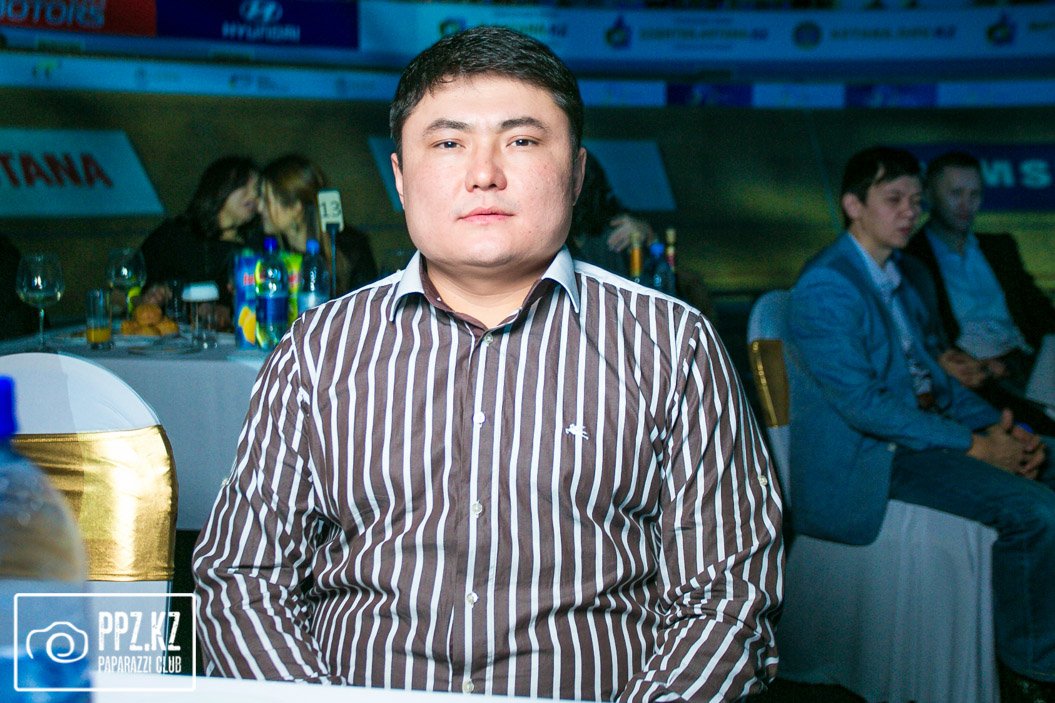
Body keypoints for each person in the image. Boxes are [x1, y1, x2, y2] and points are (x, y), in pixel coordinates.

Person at [193, 26, 782, 701]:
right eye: (448, 144)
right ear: (400, 178)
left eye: (521, 141)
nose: (483, 174)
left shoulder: (673, 345)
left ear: (577, 174)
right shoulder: (318, 349)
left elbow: (727, 596)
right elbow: (241, 576)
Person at [787, 145, 1055, 699]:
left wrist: (1006, 429)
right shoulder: (828, 285)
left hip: (918, 437)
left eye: (915, 199)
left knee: (1049, 457)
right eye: (894, 199)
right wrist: (975, 445)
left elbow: (935, 380)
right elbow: (866, 407)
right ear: (853, 205)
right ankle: (1031, 669)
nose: (910, 211)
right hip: (873, 458)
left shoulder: (898, 274)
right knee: (1034, 511)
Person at [904, 151, 1055, 424]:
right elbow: (920, 337)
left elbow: (1040, 312)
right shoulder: (912, 260)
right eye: (956, 193)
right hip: (974, 375)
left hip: (1028, 363)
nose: (966, 204)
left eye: (974, 194)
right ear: (929, 195)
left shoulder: (999, 247)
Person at [138, 156, 263, 327]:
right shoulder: (173, 235)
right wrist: (149, 299)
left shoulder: (258, 244)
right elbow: (122, 292)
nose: (254, 195)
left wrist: (228, 312)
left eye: (257, 189)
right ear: (218, 187)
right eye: (244, 186)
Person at [258, 154, 378, 295]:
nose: (259, 208)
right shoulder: (265, 250)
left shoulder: (350, 250)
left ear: (296, 207)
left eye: (266, 201)